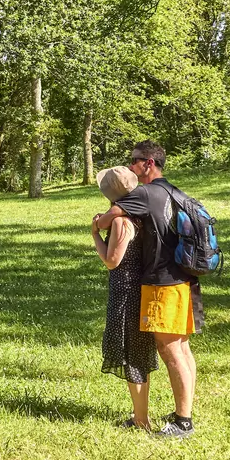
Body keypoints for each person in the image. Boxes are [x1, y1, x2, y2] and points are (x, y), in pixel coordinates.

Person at [91, 140, 199, 438]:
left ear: (149, 163)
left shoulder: (144, 193)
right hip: (184, 276)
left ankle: (183, 422)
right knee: (181, 347)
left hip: (163, 282)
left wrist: (96, 226)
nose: (131, 165)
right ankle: (184, 413)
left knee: (169, 349)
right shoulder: (172, 191)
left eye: (135, 160)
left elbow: (108, 219)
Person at [93, 165, 158, 430]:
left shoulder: (121, 221)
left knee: (132, 354)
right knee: (138, 353)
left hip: (126, 290)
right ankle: (140, 414)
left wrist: (95, 234)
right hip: (138, 288)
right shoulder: (140, 215)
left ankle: (141, 420)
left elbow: (112, 261)